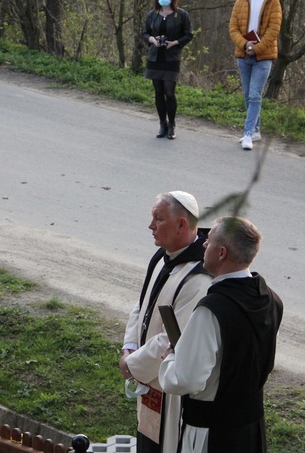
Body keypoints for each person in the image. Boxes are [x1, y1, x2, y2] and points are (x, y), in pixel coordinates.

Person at [158, 216, 284, 453]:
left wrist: (171, 358)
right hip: (250, 430)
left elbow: (187, 379)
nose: (204, 244)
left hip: (212, 434)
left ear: (222, 253)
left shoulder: (212, 310)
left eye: (210, 240)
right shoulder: (271, 300)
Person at [119, 191, 212, 453]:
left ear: (182, 224)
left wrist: (132, 365)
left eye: (158, 219)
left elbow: (173, 338)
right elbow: (143, 303)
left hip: (169, 392)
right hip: (147, 376)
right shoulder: (163, 256)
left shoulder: (199, 278)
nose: (151, 226)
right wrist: (129, 344)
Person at [229, 0, 282, 151]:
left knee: (254, 95)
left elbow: (274, 29)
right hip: (243, 54)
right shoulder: (239, 3)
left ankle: (248, 133)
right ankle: (257, 130)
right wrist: (245, 45)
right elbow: (233, 28)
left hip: (263, 56)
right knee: (246, 95)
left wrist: (257, 48)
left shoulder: (272, 1)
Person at [143, 0, 193, 140]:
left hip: (171, 58)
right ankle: (162, 124)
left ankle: (172, 125)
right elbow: (145, 33)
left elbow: (188, 34)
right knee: (158, 91)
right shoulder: (152, 14)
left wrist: (175, 43)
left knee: (169, 92)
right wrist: (152, 39)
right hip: (155, 57)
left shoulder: (182, 14)